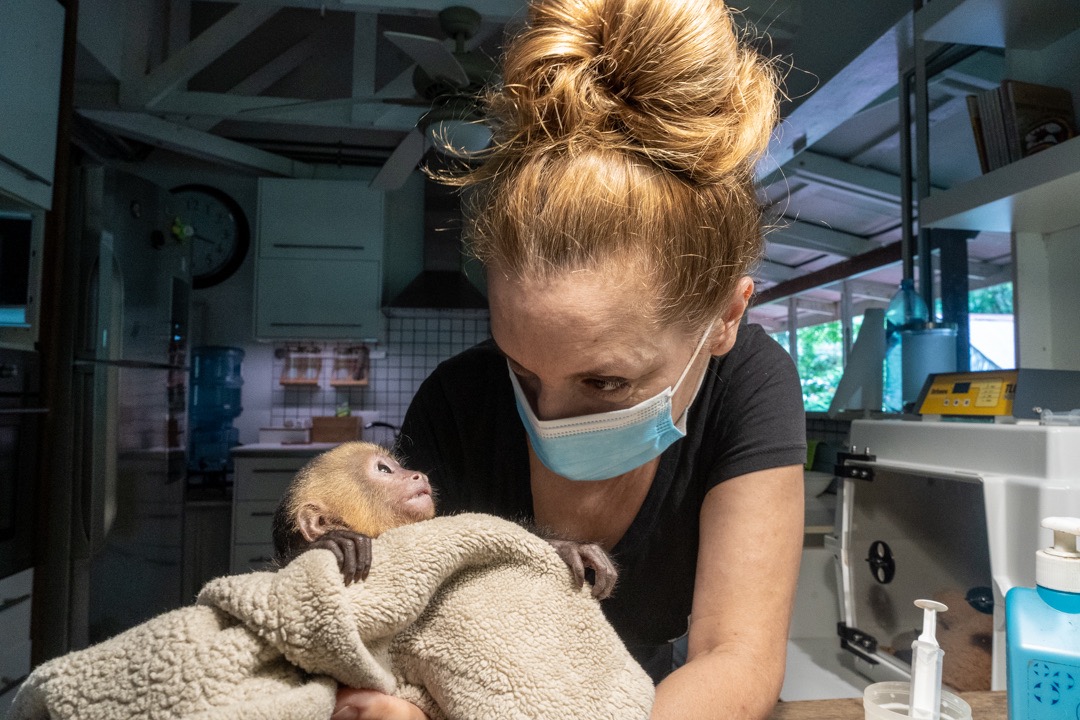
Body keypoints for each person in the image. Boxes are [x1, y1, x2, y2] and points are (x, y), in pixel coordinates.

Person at [331, 0, 805, 717]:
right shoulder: (456, 406)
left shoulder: (750, 386)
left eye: (605, 382)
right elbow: (392, 624)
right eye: (521, 370)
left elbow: (733, 654)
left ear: (725, 319)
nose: (547, 422)